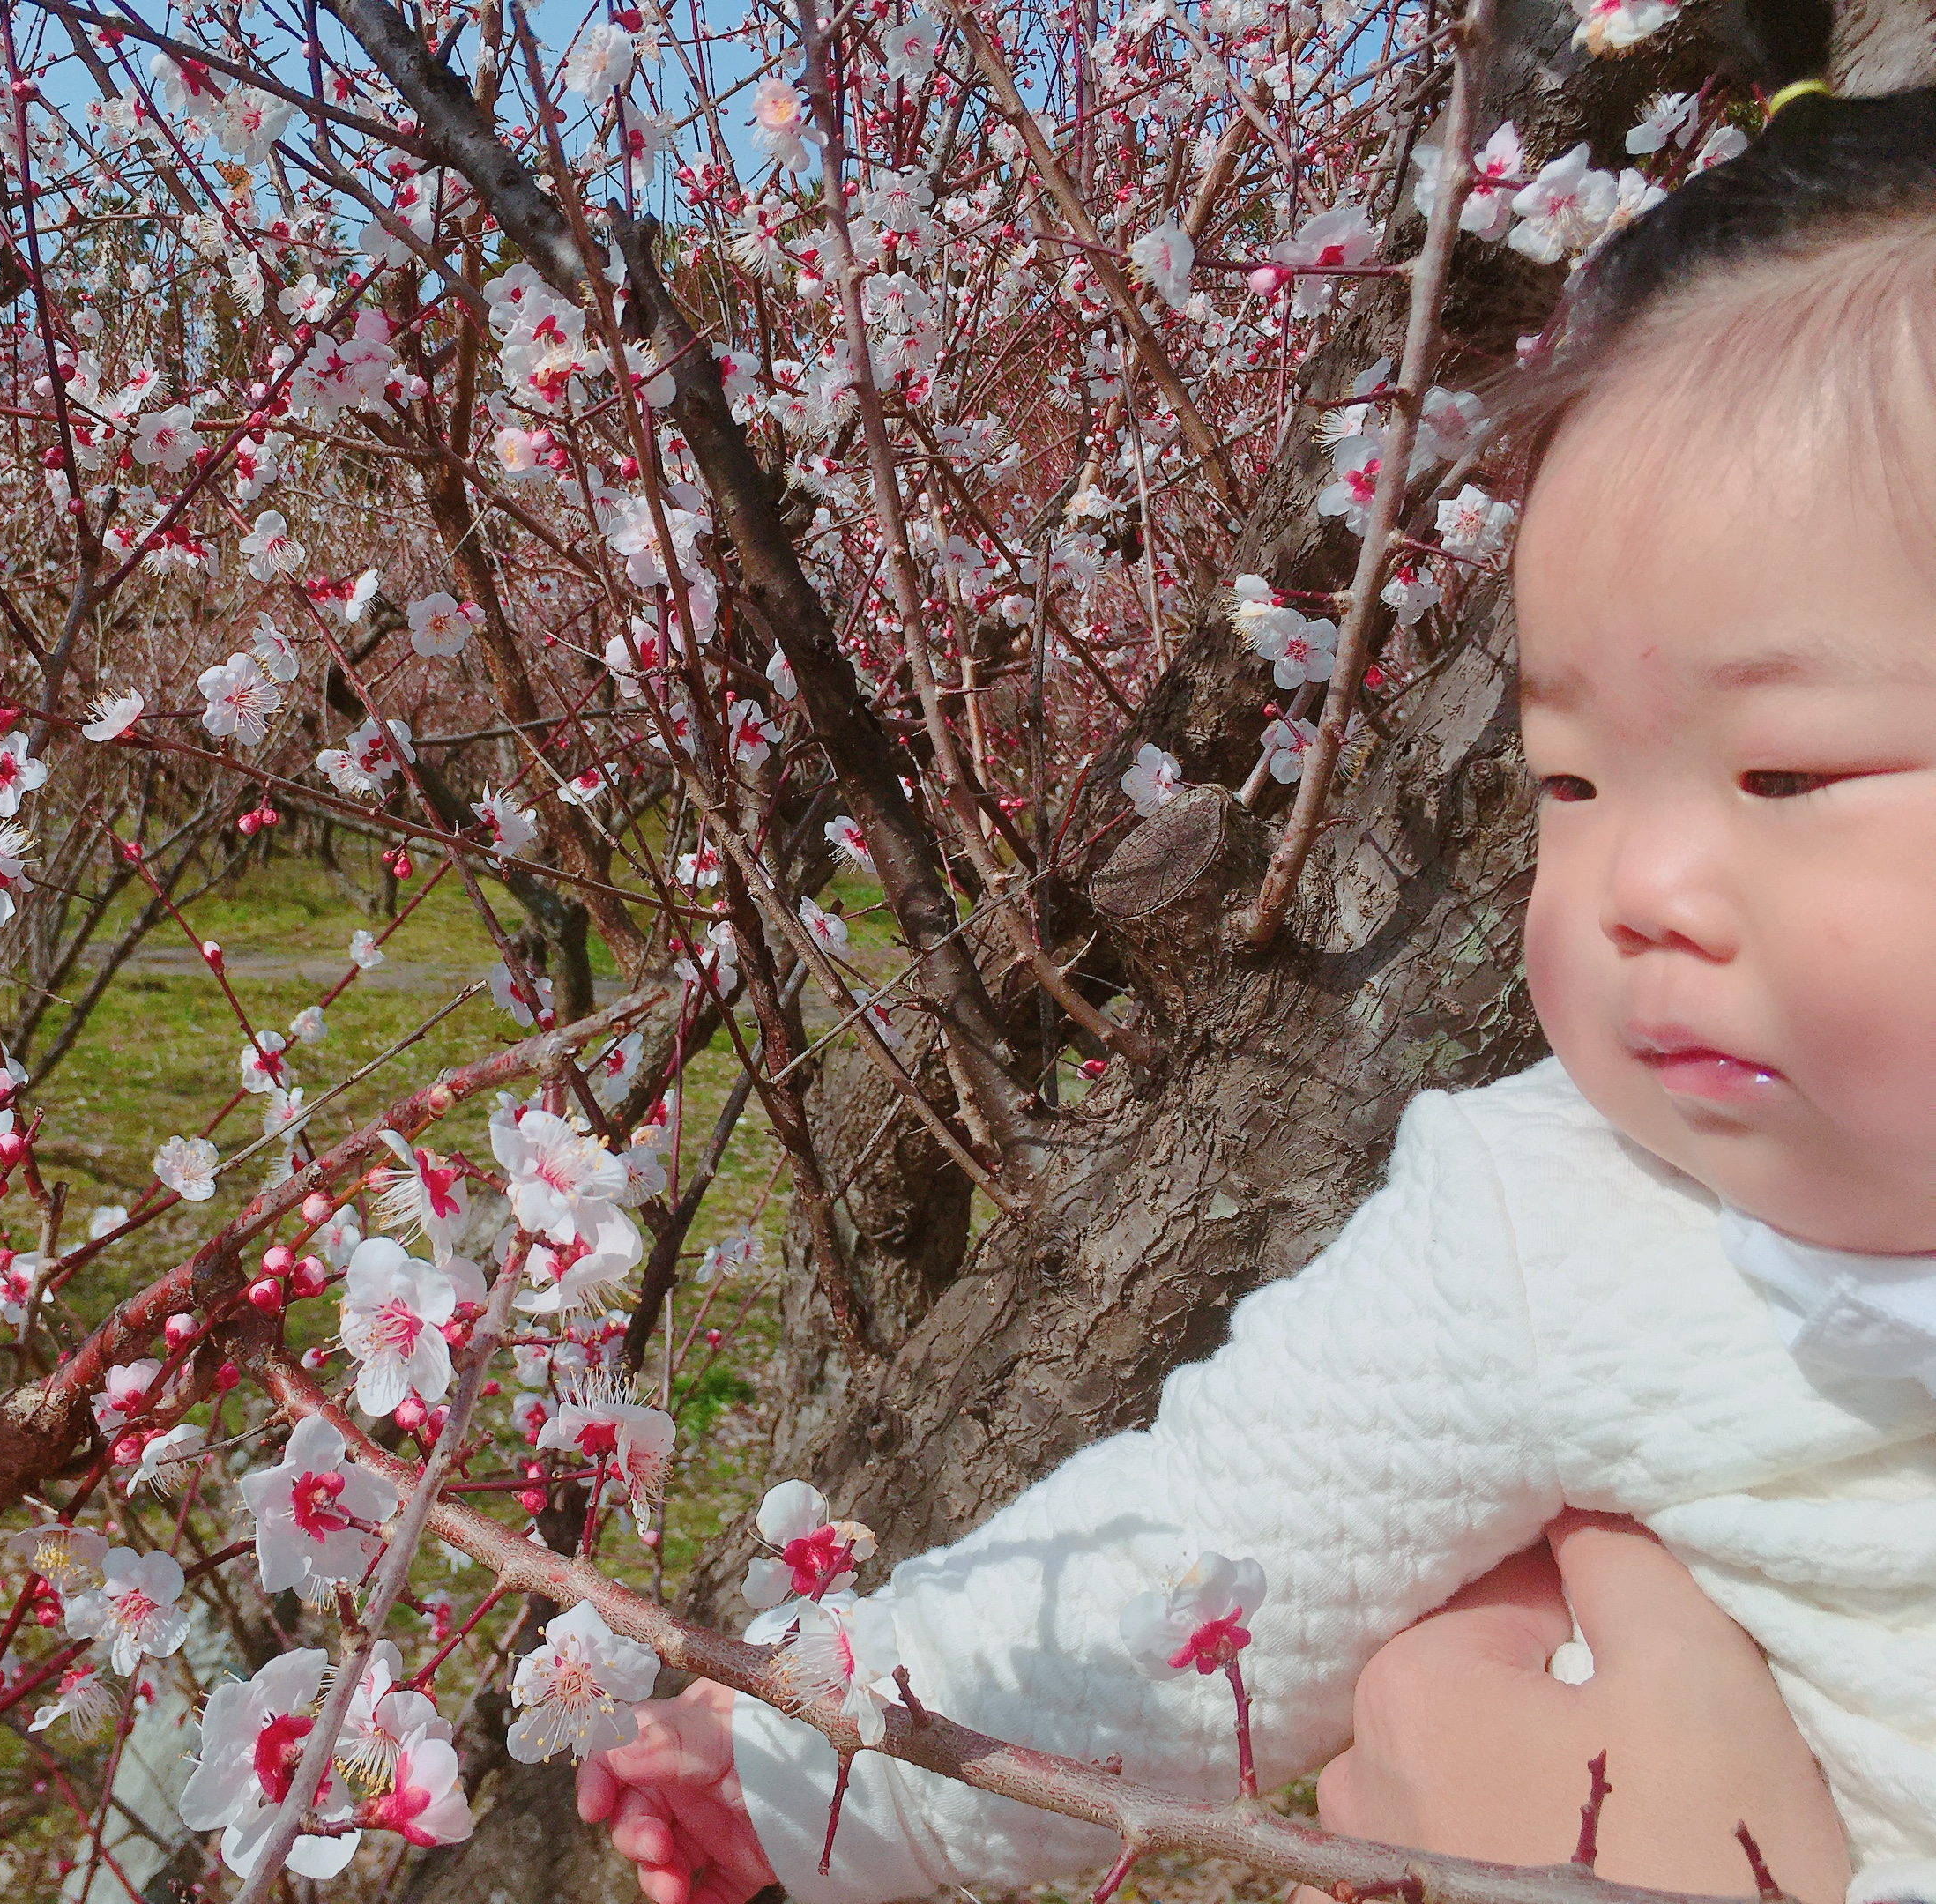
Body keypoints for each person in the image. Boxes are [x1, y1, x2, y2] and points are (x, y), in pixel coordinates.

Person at [576, 22, 1936, 1904]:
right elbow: (1202, 1559)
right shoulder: (1566, 1233)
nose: (1641, 885)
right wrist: (821, 1771)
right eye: (1571, 779)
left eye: (1790, 770)